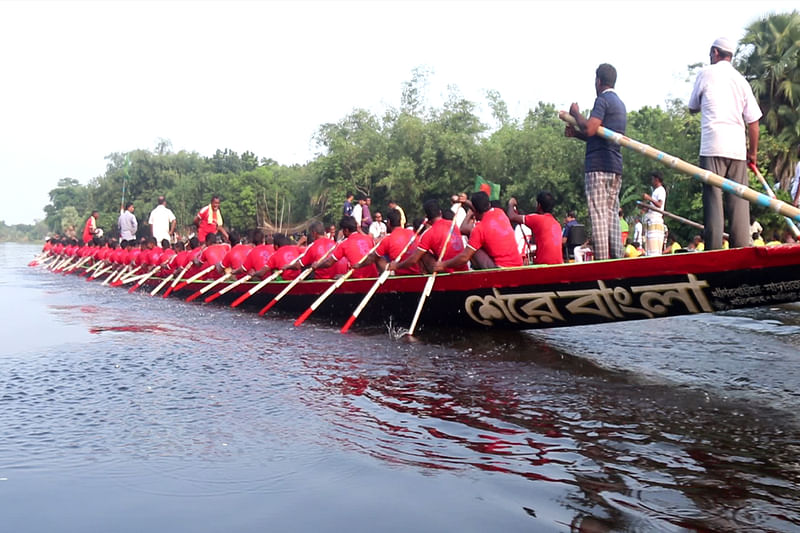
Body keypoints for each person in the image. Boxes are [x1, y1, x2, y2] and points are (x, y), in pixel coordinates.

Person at [689, 37, 762, 250]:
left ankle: (713, 250)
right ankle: (740, 248)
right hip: (737, 149)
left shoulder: (705, 74)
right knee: (739, 201)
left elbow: (692, 106)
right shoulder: (741, 80)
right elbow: (754, 122)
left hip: (712, 146)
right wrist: (753, 153)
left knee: (713, 200)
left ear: (715, 52)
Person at [566, 63, 627, 260]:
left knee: (599, 216)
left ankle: (603, 263)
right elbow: (599, 136)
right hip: (614, 167)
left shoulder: (602, 100)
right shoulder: (620, 104)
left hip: (598, 167)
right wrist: (576, 134)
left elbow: (591, 129)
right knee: (611, 216)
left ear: (598, 81)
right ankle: (617, 259)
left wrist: (575, 113)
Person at [435, 191, 522, 271]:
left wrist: (443, 264)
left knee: (473, 247)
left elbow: (464, 257)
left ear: (475, 211)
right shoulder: (500, 212)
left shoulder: (479, 229)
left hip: (500, 270)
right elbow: (478, 209)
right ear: (488, 204)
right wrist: (466, 202)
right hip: (518, 265)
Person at [389, 199, 466, 274]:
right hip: (463, 268)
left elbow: (414, 260)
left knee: (422, 253)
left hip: (446, 271)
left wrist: (397, 266)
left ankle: (424, 273)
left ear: (426, 217)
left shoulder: (427, 234)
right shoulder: (453, 225)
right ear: (440, 212)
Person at [506, 192, 563, 265]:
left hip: (544, 266)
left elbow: (512, 216)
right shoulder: (557, 224)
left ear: (539, 205)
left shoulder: (537, 219)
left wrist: (511, 203)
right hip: (558, 264)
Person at [313, 216, 378, 279]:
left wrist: (317, 265)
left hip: (357, 280)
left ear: (346, 230)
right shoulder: (369, 238)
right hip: (374, 278)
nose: (342, 233)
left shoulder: (344, 244)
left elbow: (329, 263)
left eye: (342, 230)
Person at [642, 171, 666, 256]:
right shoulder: (655, 191)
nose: (651, 181)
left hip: (655, 220)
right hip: (651, 220)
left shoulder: (661, 190)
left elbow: (659, 204)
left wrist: (649, 198)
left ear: (656, 180)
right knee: (649, 248)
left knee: (654, 249)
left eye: (652, 179)